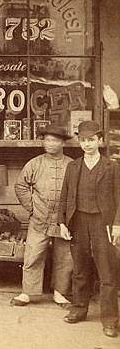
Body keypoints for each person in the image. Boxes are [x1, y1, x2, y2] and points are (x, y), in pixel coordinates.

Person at [58, 120, 120, 338]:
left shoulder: (112, 167)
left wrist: (117, 224)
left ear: (99, 140)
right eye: (83, 140)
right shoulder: (73, 167)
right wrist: (62, 222)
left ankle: (111, 320)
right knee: (80, 269)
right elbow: (64, 196)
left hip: (103, 223)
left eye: (91, 140)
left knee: (107, 271)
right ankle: (79, 309)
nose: (87, 144)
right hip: (78, 221)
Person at [11, 124, 73, 307]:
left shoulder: (72, 165)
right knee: (33, 254)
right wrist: (32, 208)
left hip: (64, 221)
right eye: (47, 140)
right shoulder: (35, 163)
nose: (50, 144)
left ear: (63, 143)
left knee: (65, 257)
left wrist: (70, 214)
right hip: (39, 218)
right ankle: (28, 293)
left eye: (55, 140)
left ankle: (60, 293)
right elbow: (20, 186)